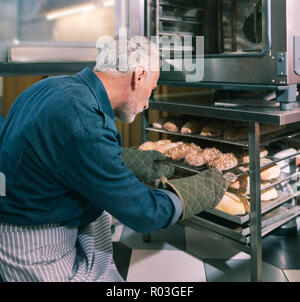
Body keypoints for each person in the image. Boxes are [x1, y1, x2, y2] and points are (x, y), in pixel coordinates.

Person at [0, 35, 227, 282]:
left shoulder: (51, 87)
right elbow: (144, 213)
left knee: (101, 220)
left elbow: (55, 151)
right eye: (151, 89)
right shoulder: (88, 124)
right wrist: (194, 193)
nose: (147, 104)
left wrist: (124, 159)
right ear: (138, 76)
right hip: (31, 242)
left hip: (24, 209)